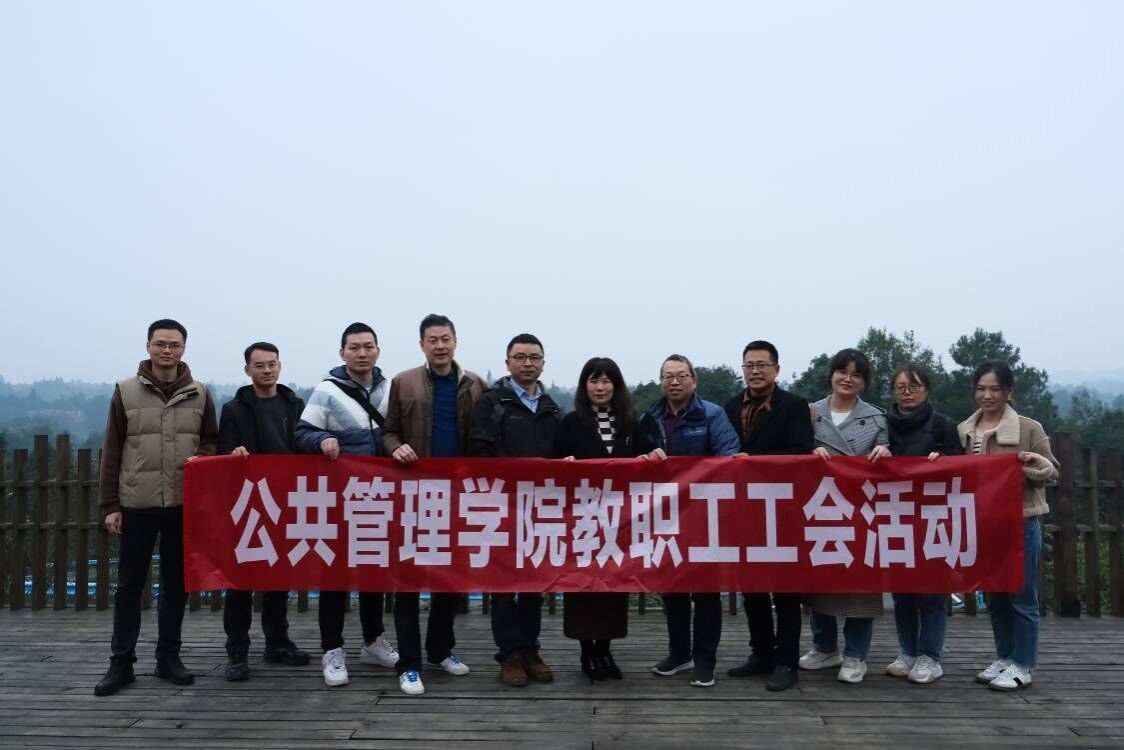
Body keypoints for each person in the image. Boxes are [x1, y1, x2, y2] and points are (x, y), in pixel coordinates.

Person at [94, 319, 218, 697]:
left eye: (174, 345)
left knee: (176, 585)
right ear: (148, 346)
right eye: (161, 343)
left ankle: (168, 658)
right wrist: (110, 504)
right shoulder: (126, 391)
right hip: (137, 502)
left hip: (182, 503)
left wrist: (202, 461)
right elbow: (112, 449)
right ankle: (121, 662)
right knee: (129, 586)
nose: (167, 350)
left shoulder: (200, 393)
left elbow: (211, 442)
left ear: (184, 349)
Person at [383, 314, 488, 696]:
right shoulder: (404, 381)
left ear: (455, 342)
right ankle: (409, 664)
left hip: (459, 496)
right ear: (422, 345)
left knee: (450, 579)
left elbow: (485, 436)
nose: (440, 345)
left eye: (446, 338)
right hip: (413, 495)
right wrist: (396, 447)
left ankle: (440, 650)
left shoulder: (475, 384)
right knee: (409, 582)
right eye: (433, 340)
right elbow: (388, 431)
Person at [294, 322, 399, 687]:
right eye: (354, 347)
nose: (362, 353)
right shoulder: (326, 390)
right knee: (334, 575)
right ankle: (332, 649)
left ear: (378, 351)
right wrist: (321, 439)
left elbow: (399, 432)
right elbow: (301, 433)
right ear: (342, 353)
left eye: (368, 346)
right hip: (339, 497)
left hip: (379, 497)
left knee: (374, 573)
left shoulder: (391, 389)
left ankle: (373, 641)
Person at [554, 357, 664, 683]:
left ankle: (605, 649)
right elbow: (552, 462)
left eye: (606, 381)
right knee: (583, 587)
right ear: (584, 385)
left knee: (614, 586)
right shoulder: (570, 422)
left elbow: (648, 453)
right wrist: (563, 464)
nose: (600, 387)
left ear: (616, 386)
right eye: (593, 381)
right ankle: (587, 651)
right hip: (582, 520)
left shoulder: (630, 421)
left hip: (620, 522)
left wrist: (652, 456)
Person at [638, 355, 739, 688]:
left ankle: (705, 660)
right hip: (665, 515)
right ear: (661, 382)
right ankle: (679, 653)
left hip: (704, 514)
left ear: (694, 380)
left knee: (706, 592)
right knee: (672, 589)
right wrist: (645, 458)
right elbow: (635, 458)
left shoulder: (712, 414)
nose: (674, 381)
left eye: (681, 375)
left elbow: (728, 457)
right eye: (667, 376)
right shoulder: (649, 418)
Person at [958, 361, 1058, 691]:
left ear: (1008, 391)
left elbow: (1051, 471)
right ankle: (1004, 657)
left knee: (1022, 596)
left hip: (1021, 522)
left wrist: (1033, 465)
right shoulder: (964, 430)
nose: (987, 395)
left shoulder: (1029, 428)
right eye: (981, 389)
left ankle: (1023, 664)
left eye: (995, 389)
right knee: (996, 596)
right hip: (984, 524)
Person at [468, 333, 561, 687]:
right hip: (502, 505)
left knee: (534, 585)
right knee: (504, 585)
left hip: (539, 508)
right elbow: (480, 451)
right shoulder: (492, 403)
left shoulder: (551, 407)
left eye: (534, 357)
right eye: (520, 357)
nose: (527, 363)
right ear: (507, 362)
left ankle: (530, 649)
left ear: (543, 363)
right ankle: (509, 654)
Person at [723, 340, 813, 692]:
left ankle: (786, 661)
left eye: (762, 365)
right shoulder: (731, 407)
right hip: (744, 511)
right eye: (749, 365)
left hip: (783, 509)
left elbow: (801, 454)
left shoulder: (794, 405)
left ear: (776, 369)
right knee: (753, 588)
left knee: (786, 591)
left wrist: (756, 464)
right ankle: (760, 653)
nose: (755, 371)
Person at [219, 342, 310, 681]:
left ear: (280, 366)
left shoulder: (295, 405)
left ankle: (277, 642)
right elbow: (223, 449)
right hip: (248, 503)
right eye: (259, 365)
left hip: (285, 501)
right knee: (240, 581)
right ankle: (237, 650)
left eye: (272, 364)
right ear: (248, 370)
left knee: (279, 578)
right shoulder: (234, 409)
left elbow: (305, 444)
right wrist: (234, 453)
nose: (267, 370)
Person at [800, 348, 890, 684]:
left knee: (860, 587)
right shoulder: (810, 412)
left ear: (864, 382)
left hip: (862, 510)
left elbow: (890, 456)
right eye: (842, 371)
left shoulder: (877, 418)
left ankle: (855, 655)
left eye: (856, 374)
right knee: (819, 581)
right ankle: (824, 648)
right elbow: (793, 450)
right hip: (821, 507)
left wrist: (886, 452)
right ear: (831, 375)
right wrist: (809, 452)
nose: (847, 379)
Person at [883, 365, 962, 685]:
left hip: (932, 516)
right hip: (893, 515)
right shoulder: (882, 424)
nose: (907, 392)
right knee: (902, 592)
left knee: (932, 591)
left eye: (914, 387)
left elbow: (961, 468)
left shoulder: (943, 425)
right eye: (900, 387)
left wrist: (943, 460)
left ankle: (931, 656)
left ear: (926, 390)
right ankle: (908, 651)